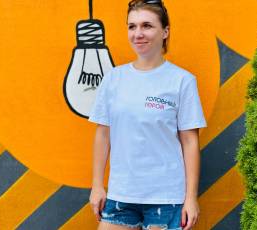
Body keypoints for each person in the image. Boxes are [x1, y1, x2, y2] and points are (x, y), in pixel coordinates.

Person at [88, 0, 207, 229]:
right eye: (132, 27)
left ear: (165, 31)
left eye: (147, 26)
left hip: (167, 197)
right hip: (121, 193)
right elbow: (103, 134)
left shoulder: (182, 81)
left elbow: (190, 141)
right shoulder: (113, 79)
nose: (138, 34)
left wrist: (191, 198)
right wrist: (97, 185)